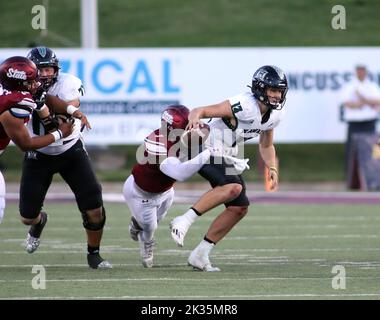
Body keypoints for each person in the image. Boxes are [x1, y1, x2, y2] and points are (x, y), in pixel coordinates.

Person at [170, 65, 288, 271]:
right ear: (260, 89)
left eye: (279, 91)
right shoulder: (245, 105)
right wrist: (194, 121)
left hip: (224, 152)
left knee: (238, 208)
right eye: (273, 90)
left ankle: (200, 253)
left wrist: (272, 167)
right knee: (233, 187)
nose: (277, 96)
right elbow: (200, 110)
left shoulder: (275, 115)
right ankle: (184, 220)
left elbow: (266, 144)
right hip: (204, 146)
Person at [19, 46, 112, 269]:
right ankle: (39, 222)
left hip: (70, 150)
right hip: (38, 153)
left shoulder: (69, 83)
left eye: (49, 69)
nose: (45, 74)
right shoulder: (18, 88)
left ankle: (94, 253)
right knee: (27, 216)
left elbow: (65, 114)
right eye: (40, 70)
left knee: (94, 207)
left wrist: (42, 98)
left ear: (56, 69)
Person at [123, 105, 216, 268]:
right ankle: (146, 242)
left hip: (166, 191)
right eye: (185, 127)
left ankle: (137, 223)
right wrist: (207, 153)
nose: (190, 130)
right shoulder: (157, 143)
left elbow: (207, 131)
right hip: (142, 194)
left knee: (155, 221)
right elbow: (180, 174)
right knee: (150, 229)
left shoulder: (182, 135)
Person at [0, 56, 73, 224]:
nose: (36, 84)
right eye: (30, 82)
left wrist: (72, 110)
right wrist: (59, 134)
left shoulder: (9, 88)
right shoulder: (14, 104)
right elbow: (26, 145)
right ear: (17, 84)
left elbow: (43, 98)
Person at [341, 64, 380, 185]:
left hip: (369, 122)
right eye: (359, 71)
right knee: (351, 151)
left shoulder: (372, 86)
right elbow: (347, 104)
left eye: (362, 71)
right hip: (354, 123)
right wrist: (364, 103)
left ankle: (374, 177)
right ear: (356, 72)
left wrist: (363, 99)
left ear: (365, 72)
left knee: (373, 150)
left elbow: (377, 101)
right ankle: (351, 180)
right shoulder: (349, 86)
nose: (360, 73)